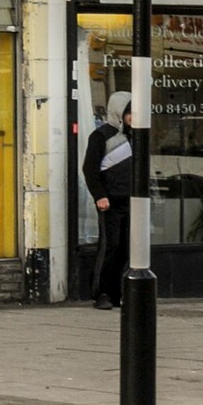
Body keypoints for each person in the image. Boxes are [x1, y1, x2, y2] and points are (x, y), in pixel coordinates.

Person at [83, 91, 133, 310]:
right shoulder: (100, 136)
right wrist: (100, 196)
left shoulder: (135, 136)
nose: (133, 116)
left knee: (124, 249)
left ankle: (116, 292)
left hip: (130, 201)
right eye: (129, 112)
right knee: (109, 247)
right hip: (110, 202)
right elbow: (89, 169)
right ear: (119, 112)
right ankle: (100, 292)